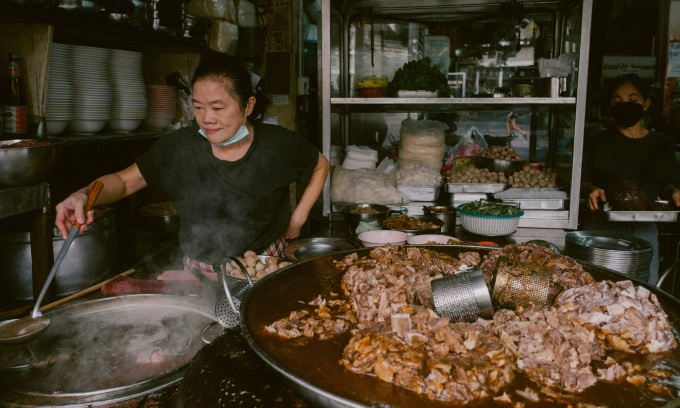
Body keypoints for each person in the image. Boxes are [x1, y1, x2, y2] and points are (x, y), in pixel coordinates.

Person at [55, 54, 330, 273]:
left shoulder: (278, 145)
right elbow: (125, 181)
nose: (206, 118)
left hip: (262, 264)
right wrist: (84, 194)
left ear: (248, 106)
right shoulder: (178, 147)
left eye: (218, 108)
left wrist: (298, 217)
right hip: (199, 270)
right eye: (198, 107)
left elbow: (320, 165)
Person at [580, 73, 680, 286]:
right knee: (594, 290)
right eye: (617, 101)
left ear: (646, 104)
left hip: (644, 229)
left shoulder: (662, 143)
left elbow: (666, 184)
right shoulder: (597, 140)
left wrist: (673, 192)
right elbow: (581, 181)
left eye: (633, 100)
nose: (625, 105)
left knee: (643, 291)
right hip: (601, 228)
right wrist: (592, 189)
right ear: (610, 106)